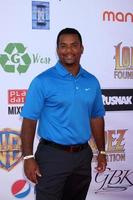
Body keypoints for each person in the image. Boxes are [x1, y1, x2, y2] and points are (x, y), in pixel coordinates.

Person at [20, 28, 107, 200]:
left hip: (83, 156)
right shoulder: (42, 81)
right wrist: (28, 157)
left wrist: (102, 152)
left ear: (82, 48)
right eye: (63, 46)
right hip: (52, 156)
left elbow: (96, 117)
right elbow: (29, 121)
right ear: (57, 49)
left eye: (74, 45)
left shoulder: (92, 81)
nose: (68, 50)